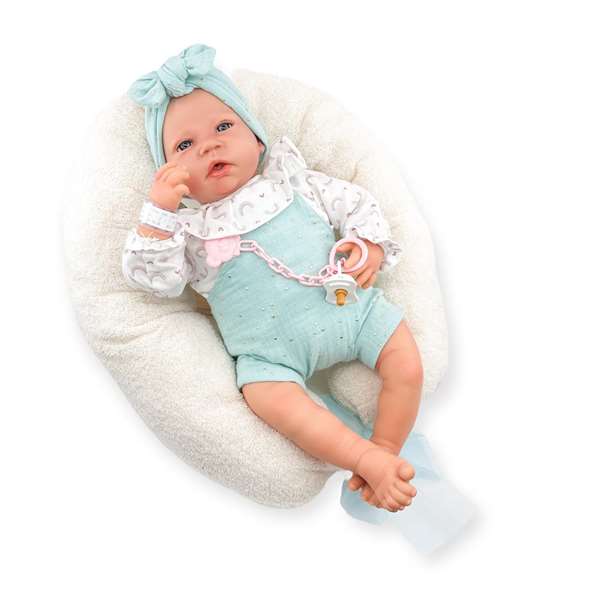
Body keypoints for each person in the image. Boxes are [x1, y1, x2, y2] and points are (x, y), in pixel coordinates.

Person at [122, 44, 424, 512]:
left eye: (224, 127)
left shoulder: (293, 182)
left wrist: (369, 246)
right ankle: (363, 457)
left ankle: (384, 449)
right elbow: (154, 280)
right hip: (270, 357)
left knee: (407, 364)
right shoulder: (190, 230)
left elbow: (358, 203)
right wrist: (158, 214)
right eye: (184, 146)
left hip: (350, 309)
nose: (208, 146)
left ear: (257, 140)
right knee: (270, 400)